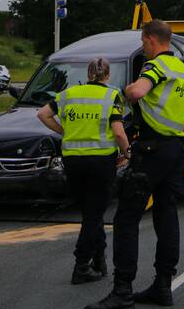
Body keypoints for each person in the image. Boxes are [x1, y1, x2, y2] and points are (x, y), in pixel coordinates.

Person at [84, 19, 184, 309]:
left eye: (143, 42)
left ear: (149, 39)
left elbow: (137, 93)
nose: (143, 47)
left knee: (126, 217)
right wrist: (179, 149)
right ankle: (163, 285)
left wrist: (125, 90)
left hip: (151, 149)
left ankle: (122, 291)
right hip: (174, 149)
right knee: (166, 214)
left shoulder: (156, 67)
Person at [36, 57, 129, 284]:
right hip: (101, 161)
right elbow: (118, 132)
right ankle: (81, 264)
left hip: (73, 161)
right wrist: (126, 153)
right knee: (94, 213)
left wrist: (64, 131)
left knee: (89, 212)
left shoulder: (68, 94)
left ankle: (99, 258)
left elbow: (42, 114)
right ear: (107, 75)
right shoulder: (111, 95)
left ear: (88, 74)